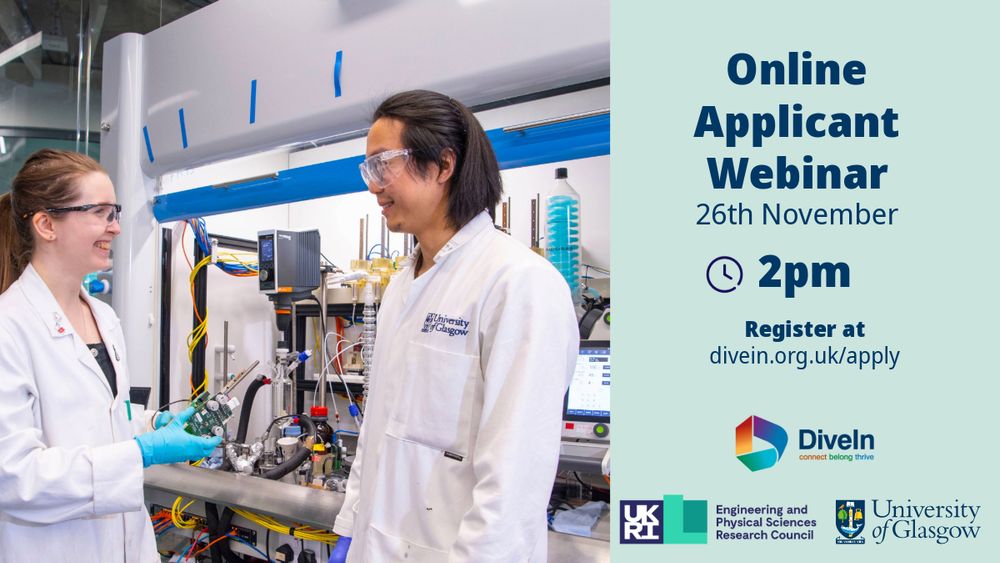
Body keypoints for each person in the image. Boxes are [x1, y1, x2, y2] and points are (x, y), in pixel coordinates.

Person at [330, 91, 579, 562]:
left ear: (443, 165)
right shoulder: (403, 287)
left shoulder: (519, 283)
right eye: (368, 169)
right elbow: (377, 430)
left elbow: (514, 476)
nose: (373, 185)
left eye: (384, 164)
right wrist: (351, 525)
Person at [0, 149, 223, 563]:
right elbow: (14, 478)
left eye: (115, 212)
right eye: (100, 212)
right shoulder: (8, 327)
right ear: (46, 224)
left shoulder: (102, 316)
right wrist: (144, 452)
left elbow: (102, 421)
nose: (116, 228)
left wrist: (152, 423)